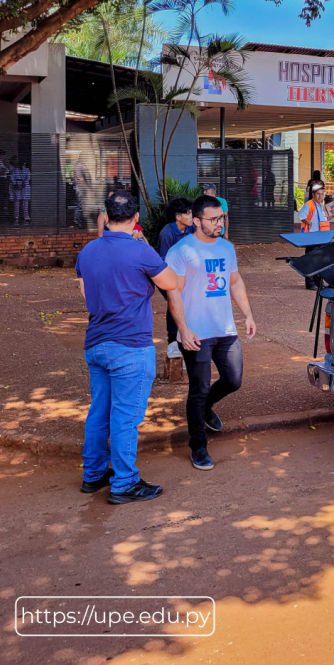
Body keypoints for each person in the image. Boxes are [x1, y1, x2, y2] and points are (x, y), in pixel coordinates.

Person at [75, 190, 178, 504]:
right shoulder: (140, 252)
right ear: (136, 219)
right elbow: (173, 283)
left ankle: (93, 474)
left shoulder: (87, 252)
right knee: (125, 417)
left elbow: (86, 294)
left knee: (99, 413)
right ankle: (124, 483)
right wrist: (147, 254)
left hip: (97, 343)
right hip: (131, 346)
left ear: (106, 218)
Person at [166, 194, 256, 471]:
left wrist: (248, 314)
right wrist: (183, 330)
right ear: (195, 220)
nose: (220, 223)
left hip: (224, 328)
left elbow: (235, 281)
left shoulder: (226, 248)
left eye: (222, 218)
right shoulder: (181, 251)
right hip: (196, 332)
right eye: (213, 219)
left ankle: (206, 408)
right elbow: (174, 293)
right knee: (199, 387)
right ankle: (198, 446)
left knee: (233, 379)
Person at [157, 196, 196, 347]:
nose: (192, 216)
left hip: (186, 275)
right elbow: (164, 262)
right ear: (178, 217)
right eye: (188, 213)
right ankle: (172, 342)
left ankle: (190, 338)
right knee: (174, 302)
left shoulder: (192, 228)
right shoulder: (167, 233)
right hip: (169, 275)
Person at [298, 181, 334, 290]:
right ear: (313, 194)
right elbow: (301, 215)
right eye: (318, 194)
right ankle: (311, 284)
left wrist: (332, 216)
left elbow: (324, 220)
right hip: (312, 238)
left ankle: (319, 282)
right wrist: (309, 222)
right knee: (311, 261)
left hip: (321, 238)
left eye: (322, 194)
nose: (320, 196)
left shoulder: (321, 206)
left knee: (319, 261)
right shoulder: (309, 204)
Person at [9, 157, 30, 224]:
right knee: (17, 201)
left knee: (24, 202)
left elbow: (28, 178)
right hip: (18, 186)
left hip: (24, 186)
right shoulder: (15, 170)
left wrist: (23, 184)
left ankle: (25, 216)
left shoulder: (26, 170)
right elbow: (12, 178)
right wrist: (16, 184)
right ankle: (17, 216)